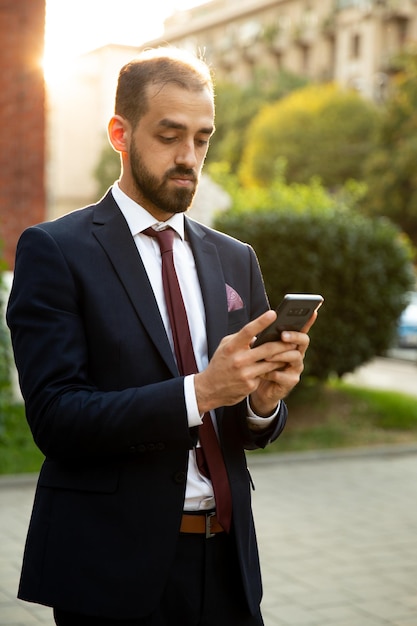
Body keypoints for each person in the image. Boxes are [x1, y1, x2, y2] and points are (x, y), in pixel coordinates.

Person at [6, 47, 315, 626]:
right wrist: (199, 392)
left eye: (202, 138)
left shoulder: (235, 258)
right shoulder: (55, 251)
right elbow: (56, 420)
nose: (188, 157)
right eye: (170, 135)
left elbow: (243, 428)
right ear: (119, 134)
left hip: (227, 562)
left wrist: (261, 403)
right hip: (110, 568)